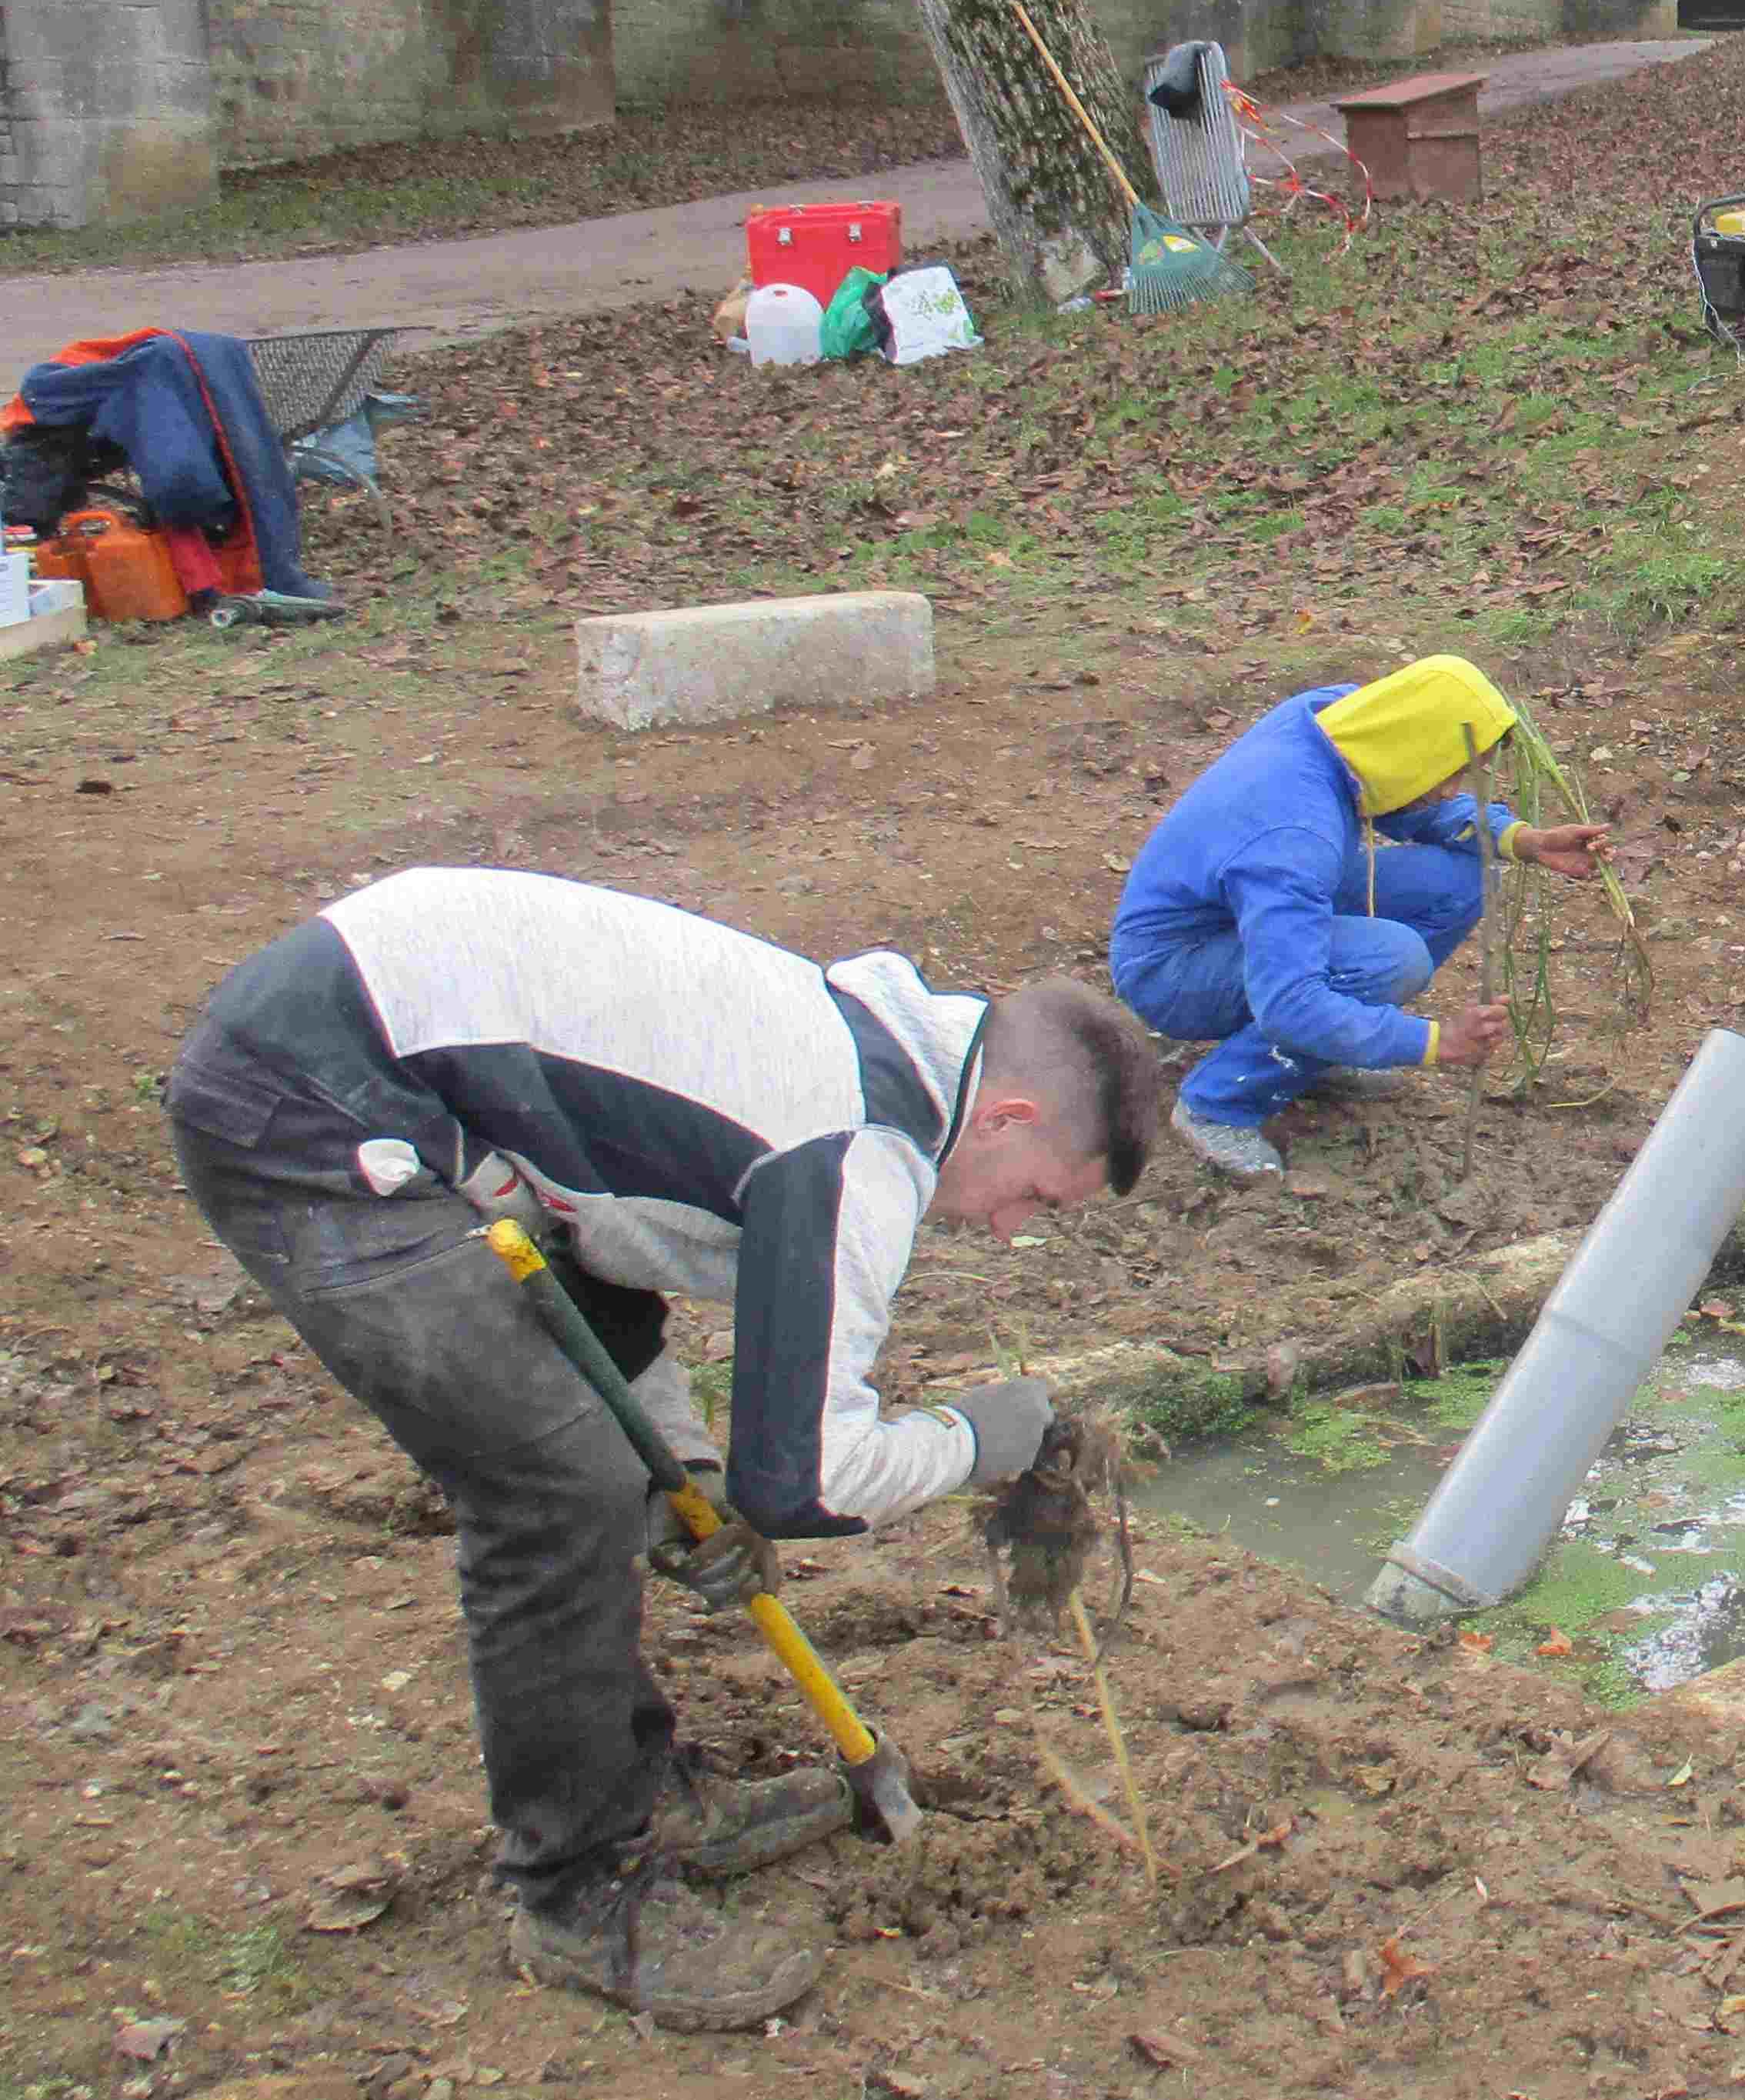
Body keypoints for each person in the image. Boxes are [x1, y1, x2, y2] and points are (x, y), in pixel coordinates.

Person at [164, 868, 1168, 2028]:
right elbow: (806, 1479)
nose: (1008, 1229)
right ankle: (574, 1887)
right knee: (559, 1489)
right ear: (1006, 1118)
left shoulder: (870, 1039)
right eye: (1035, 1196)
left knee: (607, 1461)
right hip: (312, 1102)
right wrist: (982, 1434)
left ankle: (635, 1786)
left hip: (405, 1068)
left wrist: (681, 1469)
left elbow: (597, 1237)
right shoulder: (855, 1146)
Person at [1112, 655, 1611, 1182]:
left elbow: (1411, 800)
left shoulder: (1341, 721)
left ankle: (1320, 1049)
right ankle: (1218, 1104)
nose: (1451, 789)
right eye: (1452, 773)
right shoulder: (1297, 839)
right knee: (1390, 962)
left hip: (1240, 907)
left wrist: (1522, 840)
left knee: (1461, 880)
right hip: (1172, 967)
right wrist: (1436, 1042)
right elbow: (1289, 1001)